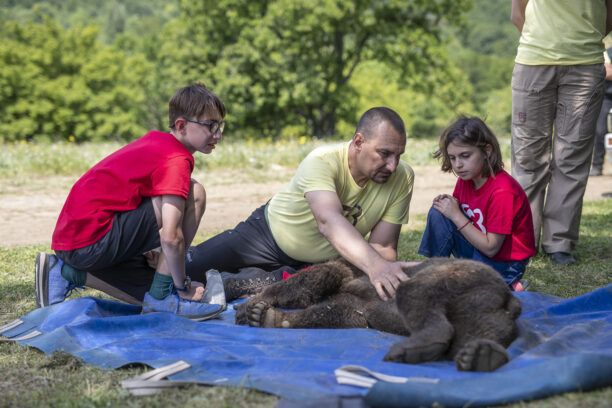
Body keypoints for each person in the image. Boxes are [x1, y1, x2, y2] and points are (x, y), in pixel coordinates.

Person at [35, 83, 227, 320]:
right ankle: (164, 297)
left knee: (145, 295)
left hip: (75, 243)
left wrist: (155, 252)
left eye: (220, 125)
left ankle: (64, 273)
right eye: (210, 125)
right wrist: (183, 287)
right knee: (195, 192)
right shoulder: (176, 159)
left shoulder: (159, 142)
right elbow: (171, 236)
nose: (218, 134)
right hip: (90, 240)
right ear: (181, 125)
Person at [186, 107, 415, 301]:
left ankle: (265, 278)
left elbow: (383, 248)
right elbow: (328, 221)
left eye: (399, 155)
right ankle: (267, 276)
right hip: (265, 236)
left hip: (320, 264)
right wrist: (375, 266)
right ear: (358, 142)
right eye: (384, 154)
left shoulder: (403, 177)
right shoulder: (322, 160)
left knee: (311, 286)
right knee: (188, 267)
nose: (392, 166)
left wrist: (384, 275)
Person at [510, 0, 612, 265]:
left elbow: (609, 14)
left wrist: (581, 42)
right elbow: (517, 14)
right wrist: (547, 44)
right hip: (534, 63)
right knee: (528, 156)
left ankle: (559, 242)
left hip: (586, 66)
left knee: (572, 156)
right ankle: (523, 240)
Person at [418, 117, 536, 291]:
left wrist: (456, 214)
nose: (458, 165)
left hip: (504, 262)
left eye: (465, 156)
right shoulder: (466, 179)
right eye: (452, 157)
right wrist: (449, 206)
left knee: (468, 294)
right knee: (439, 213)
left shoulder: (503, 190)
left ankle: (506, 283)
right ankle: (431, 270)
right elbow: (455, 219)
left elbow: (491, 248)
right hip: (476, 251)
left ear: (487, 151)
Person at [590, 45, 612, 177]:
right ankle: (597, 166)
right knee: (600, 130)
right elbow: (605, 72)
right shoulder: (607, 52)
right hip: (606, 97)